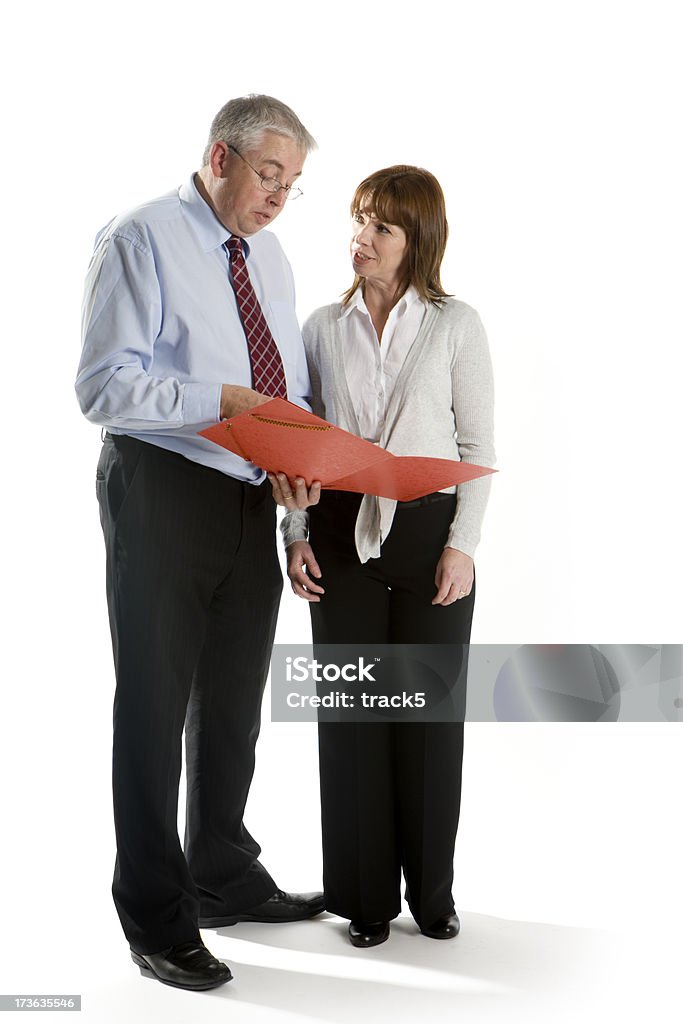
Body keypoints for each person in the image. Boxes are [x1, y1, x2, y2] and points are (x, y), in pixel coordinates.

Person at [75, 94, 325, 992]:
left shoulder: (273, 255)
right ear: (219, 157)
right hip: (162, 489)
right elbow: (105, 387)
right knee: (151, 704)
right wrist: (217, 403)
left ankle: (220, 873)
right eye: (268, 175)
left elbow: (284, 387)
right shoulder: (140, 237)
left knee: (229, 703)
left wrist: (295, 493)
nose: (277, 198)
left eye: (291, 185)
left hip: (249, 496)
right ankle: (155, 915)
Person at [270, 165, 495, 948]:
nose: (360, 239)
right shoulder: (320, 328)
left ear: (417, 239)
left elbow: (478, 446)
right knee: (354, 717)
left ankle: (432, 896)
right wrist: (293, 538)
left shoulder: (456, 324)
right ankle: (363, 900)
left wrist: (461, 546)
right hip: (336, 530)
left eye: (381, 227)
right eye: (359, 221)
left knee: (429, 720)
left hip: (429, 533)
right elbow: (295, 445)